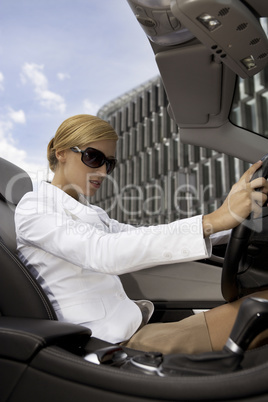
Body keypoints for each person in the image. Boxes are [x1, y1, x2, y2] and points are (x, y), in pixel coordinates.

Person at [15, 114, 268, 355]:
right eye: (93, 158)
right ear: (61, 153)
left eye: (109, 163)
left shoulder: (91, 213)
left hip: (130, 329)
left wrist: (228, 222)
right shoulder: (34, 207)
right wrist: (213, 220)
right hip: (106, 344)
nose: (103, 172)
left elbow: (144, 235)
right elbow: (102, 252)